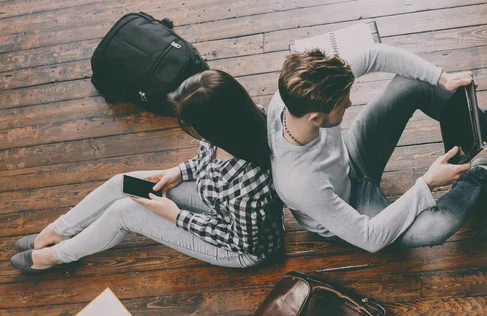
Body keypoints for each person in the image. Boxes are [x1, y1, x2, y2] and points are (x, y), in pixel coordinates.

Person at [267, 44, 487, 253]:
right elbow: (369, 237)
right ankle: (483, 174)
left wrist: (441, 77)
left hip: (351, 158)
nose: (349, 102)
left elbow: (373, 54)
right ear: (316, 118)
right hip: (350, 210)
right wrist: (426, 184)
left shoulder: (303, 87)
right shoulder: (299, 183)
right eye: (342, 102)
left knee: (416, 83)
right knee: (436, 228)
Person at [10, 70, 284, 273]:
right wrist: (178, 171)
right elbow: (209, 162)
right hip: (215, 201)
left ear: (214, 125)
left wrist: (175, 215)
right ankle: (58, 230)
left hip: (238, 248)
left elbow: (240, 240)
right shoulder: (240, 121)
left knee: (124, 212)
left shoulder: (246, 186)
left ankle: (56, 256)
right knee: (125, 183)